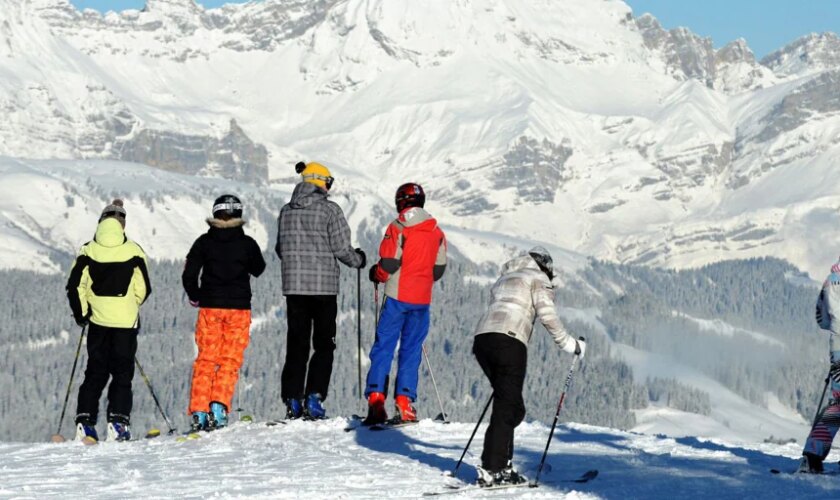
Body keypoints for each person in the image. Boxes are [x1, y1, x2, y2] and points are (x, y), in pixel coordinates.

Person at [472, 246, 585, 487]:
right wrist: (570, 344)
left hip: (483, 340)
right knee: (507, 406)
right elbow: (548, 315)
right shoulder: (538, 278)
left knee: (511, 406)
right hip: (510, 342)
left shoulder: (506, 276)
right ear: (546, 266)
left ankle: (501, 462)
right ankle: (495, 468)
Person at [275, 162, 366, 419]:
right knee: (324, 345)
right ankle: (314, 397)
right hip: (324, 289)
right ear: (319, 181)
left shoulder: (286, 211)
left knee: (297, 346)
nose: (329, 187)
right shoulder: (330, 210)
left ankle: (292, 399)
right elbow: (341, 249)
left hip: (294, 289)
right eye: (329, 182)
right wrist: (358, 260)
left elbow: (280, 249)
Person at [65, 199, 151, 442]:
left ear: (100, 222)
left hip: (98, 323)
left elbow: (74, 286)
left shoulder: (87, 250)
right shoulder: (134, 250)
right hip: (125, 323)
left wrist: (83, 314)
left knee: (95, 372)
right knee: (123, 374)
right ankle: (118, 424)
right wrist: (130, 305)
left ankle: (85, 423)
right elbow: (143, 288)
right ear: (123, 224)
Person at [364, 182, 447, 424]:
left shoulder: (398, 227)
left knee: (384, 347)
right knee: (411, 351)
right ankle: (405, 403)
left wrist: (376, 274)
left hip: (397, 297)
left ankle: (377, 400)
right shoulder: (436, 231)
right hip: (421, 301)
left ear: (401, 202)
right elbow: (439, 269)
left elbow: (388, 264)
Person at [182, 195, 266, 432]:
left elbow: (189, 274)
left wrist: (195, 295)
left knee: (206, 359)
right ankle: (218, 408)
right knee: (229, 361)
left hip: (210, 307)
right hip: (239, 309)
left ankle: (199, 411)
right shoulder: (247, 243)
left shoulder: (203, 243)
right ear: (239, 215)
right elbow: (259, 268)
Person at [800, 257, 840, 473]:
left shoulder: (832, 278)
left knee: (838, 404)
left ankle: (812, 455)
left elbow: (821, 318)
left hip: (838, 346)